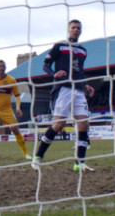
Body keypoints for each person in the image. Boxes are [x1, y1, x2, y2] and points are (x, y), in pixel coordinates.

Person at [31, 20, 95, 172]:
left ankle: (79, 162)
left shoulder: (83, 51)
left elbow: (79, 71)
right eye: (73, 27)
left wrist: (85, 84)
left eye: (79, 28)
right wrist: (54, 74)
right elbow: (45, 64)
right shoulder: (59, 46)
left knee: (83, 123)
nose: (76, 30)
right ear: (68, 30)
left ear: (81, 31)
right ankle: (38, 156)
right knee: (59, 124)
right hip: (63, 89)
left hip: (79, 90)